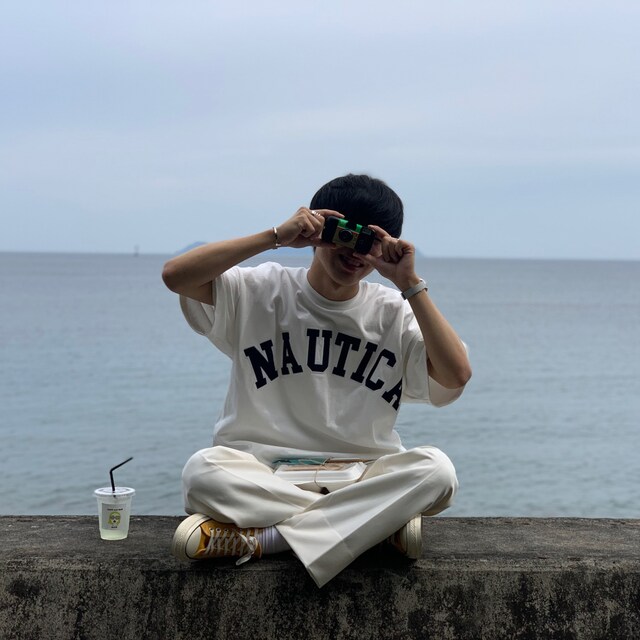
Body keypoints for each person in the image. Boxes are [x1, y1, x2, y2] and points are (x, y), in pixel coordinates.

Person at [162, 174, 471, 588]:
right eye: (344, 234)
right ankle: (374, 529)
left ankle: (267, 539)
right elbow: (176, 276)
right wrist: (276, 236)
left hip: (361, 475)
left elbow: (456, 374)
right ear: (319, 227)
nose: (355, 252)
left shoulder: (394, 313)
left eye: (370, 242)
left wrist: (409, 284)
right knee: (202, 472)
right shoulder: (261, 289)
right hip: (264, 470)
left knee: (438, 472)